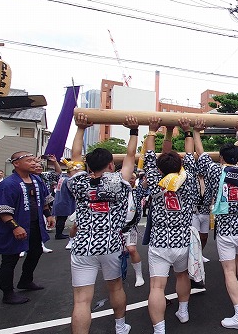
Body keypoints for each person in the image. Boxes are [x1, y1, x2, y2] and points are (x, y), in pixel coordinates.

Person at [66, 113, 135, 334]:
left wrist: (80, 129)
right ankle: (120, 326)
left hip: (83, 244)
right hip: (110, 243)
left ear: (88, 166)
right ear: (110, 165)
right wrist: (133, 130)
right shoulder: (119, 183)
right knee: (115, 287)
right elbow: (131, 156)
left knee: (81, 300)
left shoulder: (77, 182)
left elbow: (75, 156)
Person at [194, 119, 238, 330]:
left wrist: (195, 131)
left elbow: (201, 156)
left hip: (226, 230)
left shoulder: (216, 171)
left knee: (228, 270)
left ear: (220, 158)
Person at [144, 117, 197, 333]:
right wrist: (187, 131)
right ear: (180, 166)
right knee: (182, 276)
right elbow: (191, 157)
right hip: (182, 241)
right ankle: (183, 312)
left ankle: (159, 328)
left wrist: (152, 131)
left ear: (158, 169)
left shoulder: (155, 180)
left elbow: (148, 157)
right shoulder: (189, 179)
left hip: (159, 241)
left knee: (157, 286)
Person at [0, 151, 55, 305]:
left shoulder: (36, 180)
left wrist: (49, 215)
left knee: (36, 251)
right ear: (16, 163)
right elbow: (2, 210)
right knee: (9, 259)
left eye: (34, 160)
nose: (34, 163)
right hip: (13, 226)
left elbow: (44, 200)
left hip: (33, 225)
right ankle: (7, 292)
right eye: (29, 161)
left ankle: (26, 280)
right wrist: (15, 227)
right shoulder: (7, 184)